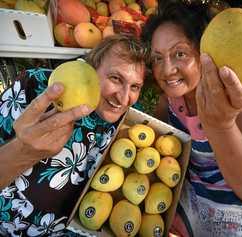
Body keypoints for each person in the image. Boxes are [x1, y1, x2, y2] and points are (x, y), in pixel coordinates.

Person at [142, 2, 242, 237]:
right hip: (196, 190)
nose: (167, 69)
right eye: (158, 58)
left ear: (206, 53)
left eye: (180, 54)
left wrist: (221, 126)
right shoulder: (171, 99)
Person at [0, 34, 148, 236]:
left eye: (135, 87)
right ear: (90, 68)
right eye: (115, 78)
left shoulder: (128, 123)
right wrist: (23, 151)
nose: (123, 98)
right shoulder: (36, 88)